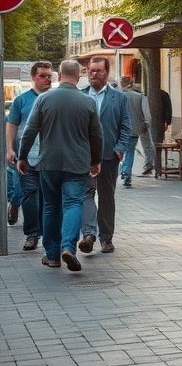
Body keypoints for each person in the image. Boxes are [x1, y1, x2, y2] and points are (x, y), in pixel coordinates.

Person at [18, 59, 103, 272]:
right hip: (77, 163)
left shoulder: (44, 99)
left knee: (50, 206)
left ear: (58, 74)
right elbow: (97, 135)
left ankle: (53, 255)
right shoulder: (88, 102)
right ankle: (68, 248)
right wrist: (95, 160)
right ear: (80, 75)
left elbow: (29, 131)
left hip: (49, 162)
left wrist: (23, 156)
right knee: (73, 203)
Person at [79, 56, 132, 254]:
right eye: (91, 71)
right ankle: (89, 235)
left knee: (107, 197)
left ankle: (106, 238)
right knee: (86, 194)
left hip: (108, 157)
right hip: (83, 156)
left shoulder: (119, 98)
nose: (93, 74)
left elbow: (126, 126)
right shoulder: (81, 95)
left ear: (107, 73)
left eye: (98, 71)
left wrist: (119, 149)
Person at [5, 61, 53, 250]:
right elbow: (12, 124)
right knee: (30, 195)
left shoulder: (55, 98)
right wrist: (10, 148)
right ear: (33, 77)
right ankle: (32, 234)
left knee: (49, 197)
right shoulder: (22, 100)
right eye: (42, 75)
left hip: (51, 157)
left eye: (49, 75)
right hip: (28, 156)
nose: (47, 79)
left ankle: (48, 234)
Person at [119, 76, 155, 184]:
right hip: (135, 128)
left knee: (119, 151)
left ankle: (124, 171)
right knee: (130, 151)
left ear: (121, 84)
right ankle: (126, 173)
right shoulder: (140, 97)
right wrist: (145, 124)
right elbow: (147, 115)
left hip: (121, 129)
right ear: (131, 83)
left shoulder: (117, 97)